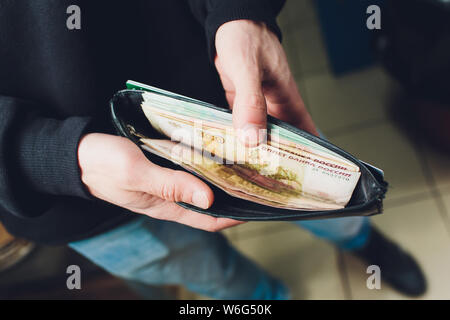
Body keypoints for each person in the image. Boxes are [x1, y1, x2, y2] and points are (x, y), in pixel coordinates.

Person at [0, 0, 425, 298]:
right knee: (224, 285)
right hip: (72, 199)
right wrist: (51, 158)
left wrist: (237, 11)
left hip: (220, 100)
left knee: (333, 197)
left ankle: (362, 242)